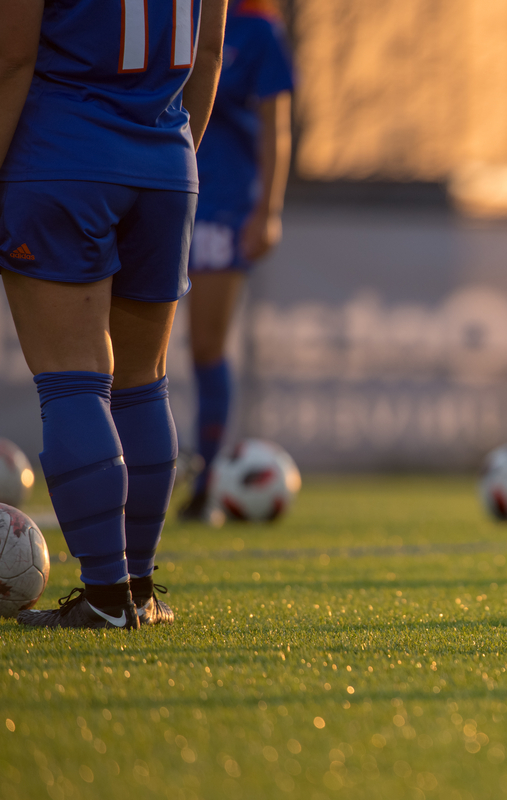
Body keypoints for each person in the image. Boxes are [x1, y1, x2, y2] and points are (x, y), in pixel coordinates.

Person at [0, 0, 227, 628]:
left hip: (59, 152)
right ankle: (138, 592)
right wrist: (167, 160)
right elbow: (207, 55)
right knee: (139, 383)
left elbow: (13, 55)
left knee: (73, 379)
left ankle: (104, 598)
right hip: (165, 157)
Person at [177, 0, 294, 522]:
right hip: (155, 190)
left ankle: (208, 476)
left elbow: (276, 126)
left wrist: (268, 210)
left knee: (205, 345)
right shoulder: (175, 13)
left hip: (222, 204)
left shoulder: (258, 30)